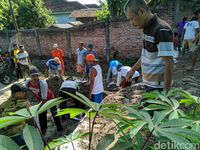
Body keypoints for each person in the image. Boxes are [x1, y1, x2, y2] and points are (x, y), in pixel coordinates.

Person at [124, 0, 174, 92]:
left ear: (141, 12)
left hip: (158, 88)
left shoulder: (161, 30)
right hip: (149, 85)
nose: (131, 23)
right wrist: (133, 69)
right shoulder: (147, 28)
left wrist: (166, 94)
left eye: (131, 18)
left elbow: (169, 62)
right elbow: (146, 55)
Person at [25, 66, 63, 135]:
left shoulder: (43, 84)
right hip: (40, 100)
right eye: (33, 76)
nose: (35, 77)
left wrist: (38, 108)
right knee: (42, 116)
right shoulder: (28, 83)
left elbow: (44, 98)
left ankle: (59, 129)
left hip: (49, 99)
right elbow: (26, 93)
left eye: (37, 75)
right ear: (30, 76)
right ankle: (43, 129)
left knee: (54, 113)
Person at [0, 83, 30, 148]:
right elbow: (29, 118)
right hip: (18, 134)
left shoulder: (4, 104)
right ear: (16, 93)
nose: (25, 93)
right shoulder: (25, 104)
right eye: (23, 92)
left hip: (5, 137)